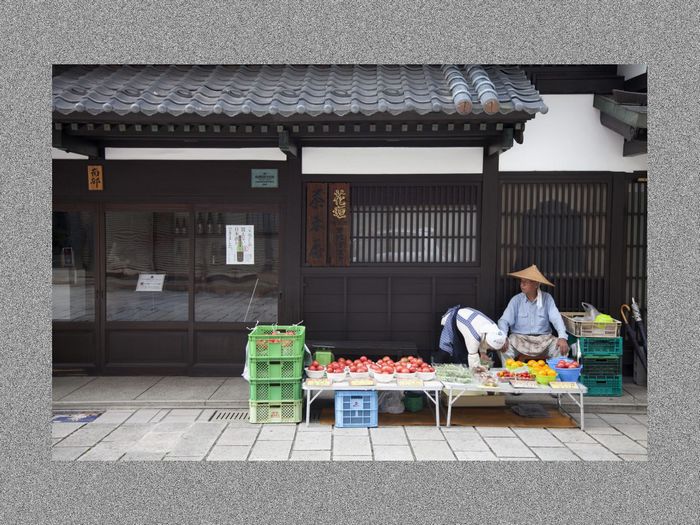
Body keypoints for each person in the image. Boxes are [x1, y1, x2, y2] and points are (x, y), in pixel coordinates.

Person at [497, 264, 569, 364]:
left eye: (525, 282)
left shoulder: (547, 298)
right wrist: (503, 336)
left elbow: (556, 318)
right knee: (502, 346)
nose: (522, 285)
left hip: (544, 339)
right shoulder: (516, 300)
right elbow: (503, 321)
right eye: (521, 282)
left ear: (536, 284)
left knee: (561, 348)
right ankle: (508, 374)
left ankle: (555, 376)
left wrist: (562, 337)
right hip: (519, 339)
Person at [438, 305, 507, 369]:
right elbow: (473, 356)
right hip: (456, 318)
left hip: (470, 319)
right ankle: (438, 368)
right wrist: (478, 371)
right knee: (450, 351)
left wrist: (483, 353)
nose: (491, 349)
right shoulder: (474, 336)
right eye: (491, 347)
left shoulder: (494, 329)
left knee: (466, 353)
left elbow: (483, 338)